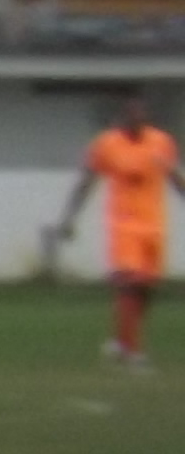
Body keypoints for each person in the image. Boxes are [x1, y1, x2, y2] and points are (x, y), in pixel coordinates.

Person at [48, 91, 185, 368]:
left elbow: (174, 177)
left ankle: (121, 342)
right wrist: (69, 218)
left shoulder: (161, 142)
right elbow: (86, 181)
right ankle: (133, 352)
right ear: (123, 116)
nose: (137, 118)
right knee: (129, 284)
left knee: (147, 289)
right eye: (131, 113)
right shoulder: (107, 145)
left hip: (154, 226)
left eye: (141, 113)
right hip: (124, 226)